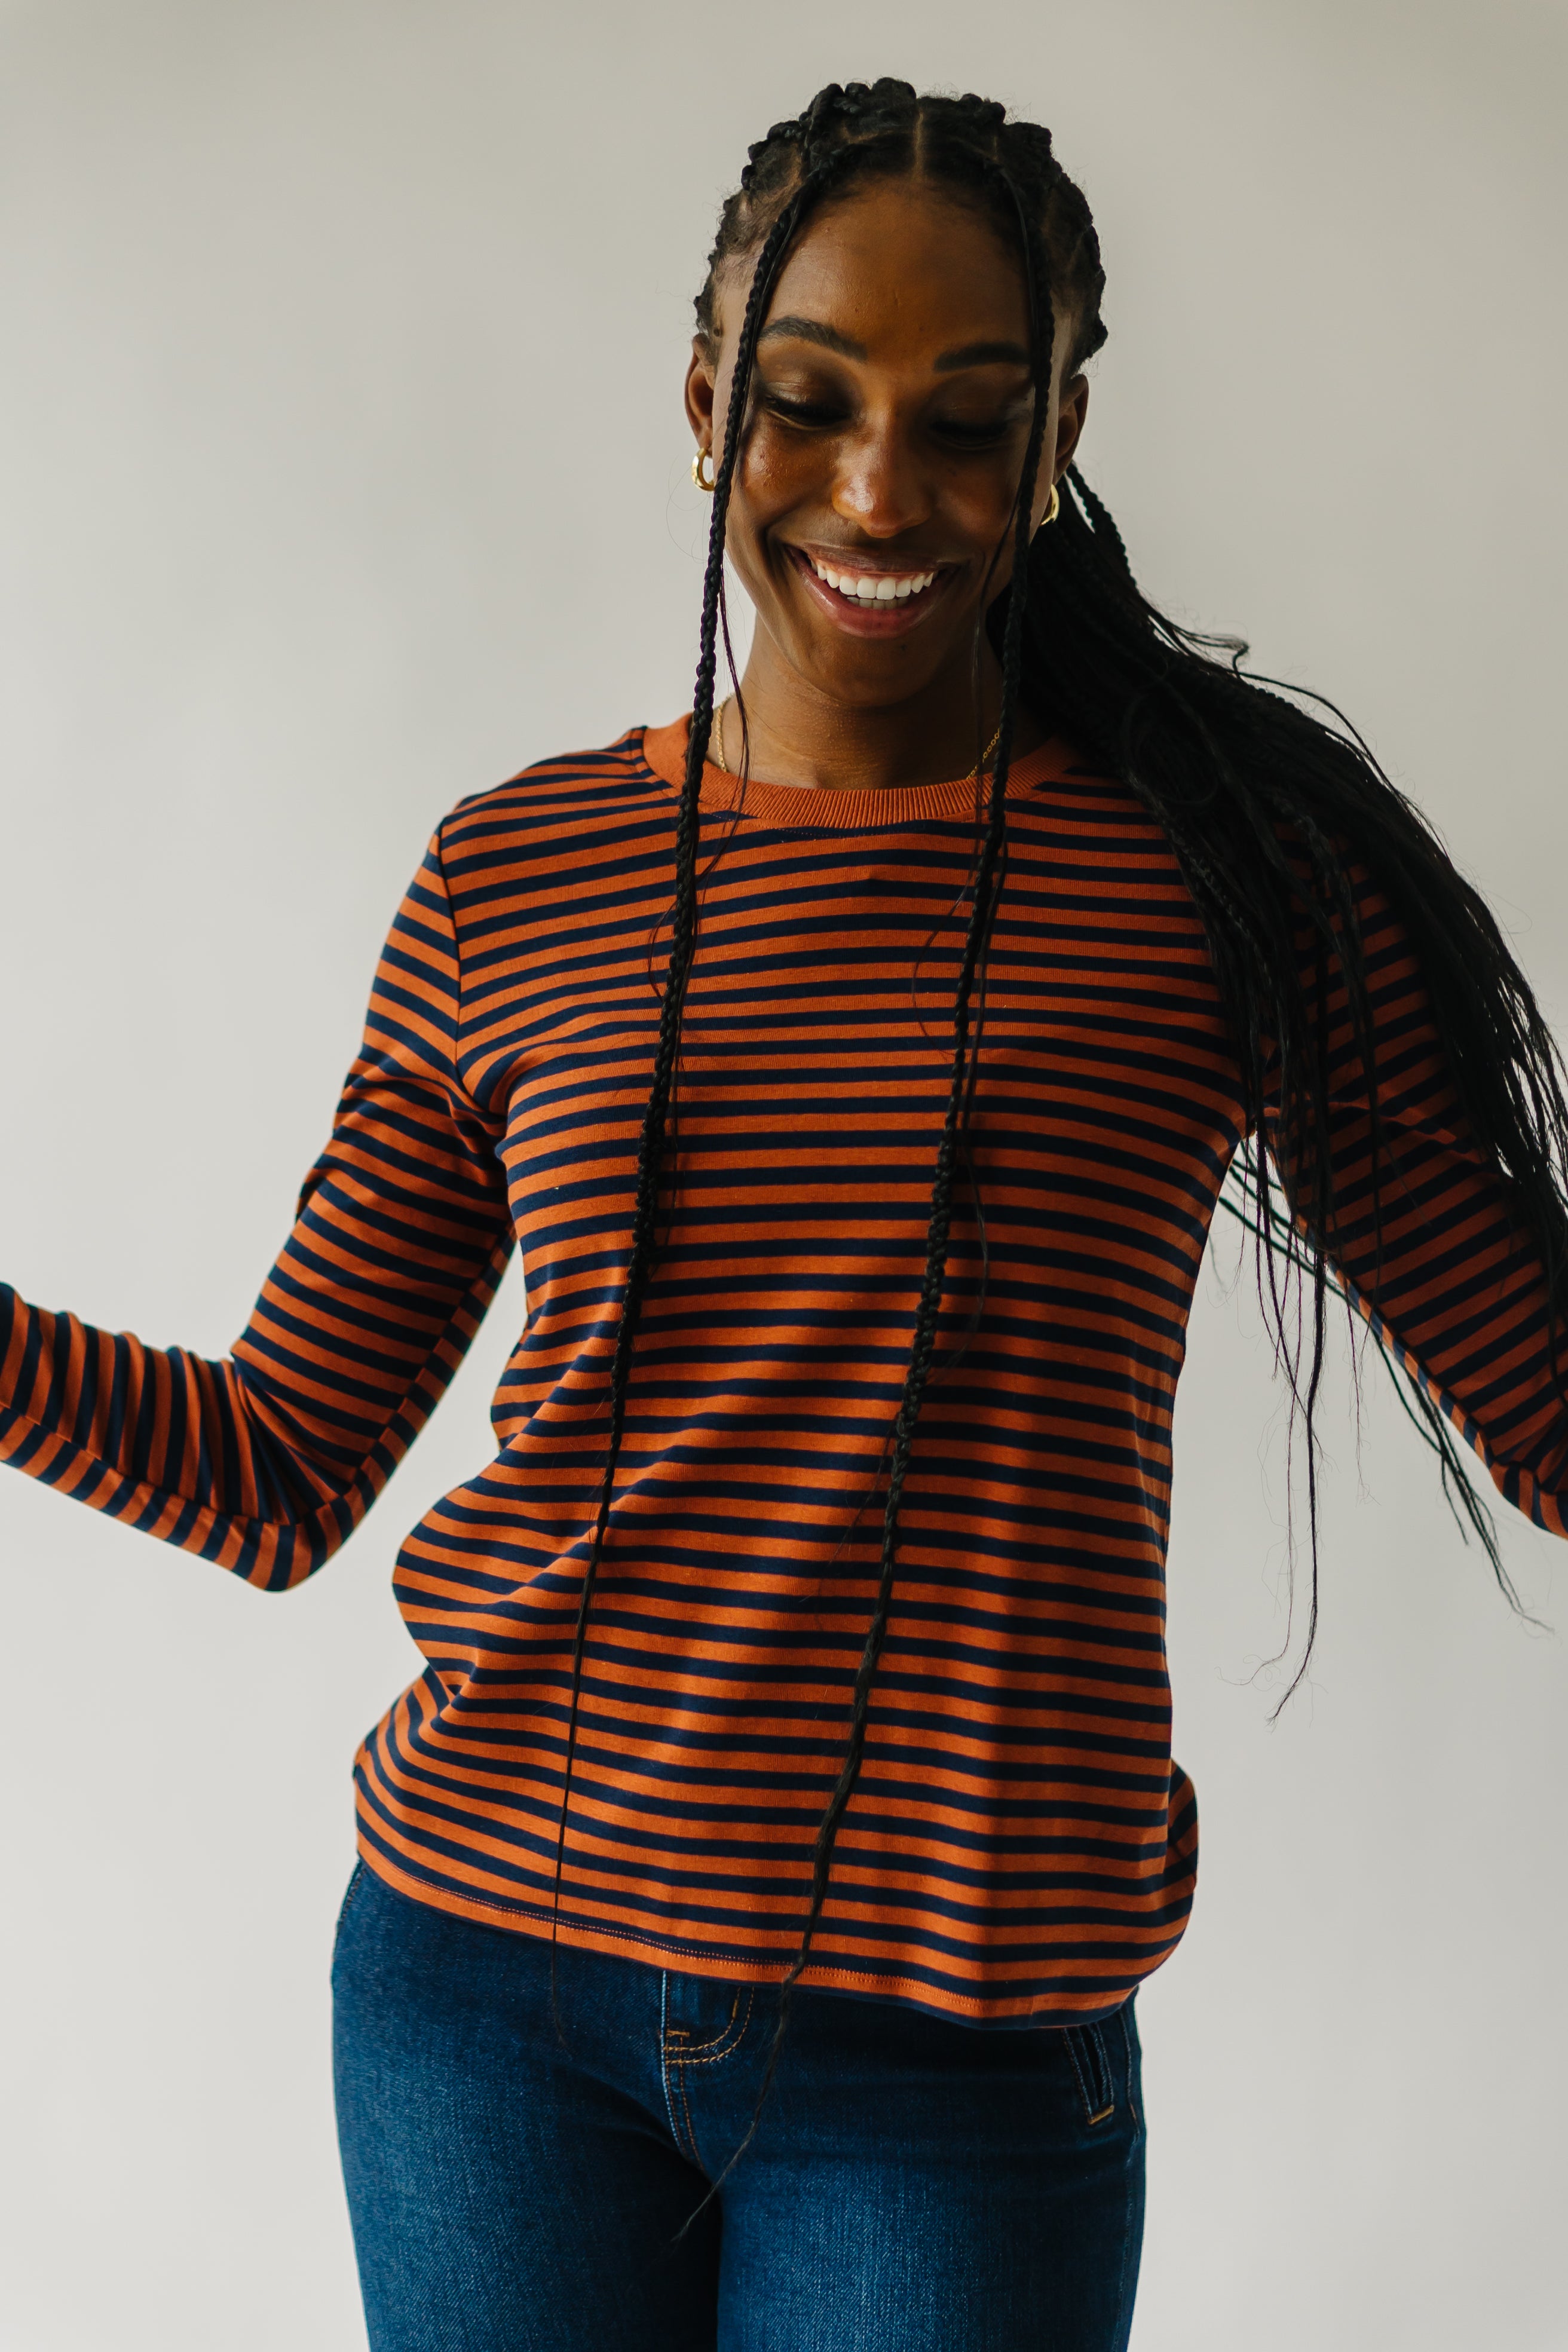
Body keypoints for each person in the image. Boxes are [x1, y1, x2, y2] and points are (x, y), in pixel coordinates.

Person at [3, 76, 1564, 2352]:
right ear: (710, 402)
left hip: (957, 2055)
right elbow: (278, 1468)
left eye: (967, 423)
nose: (877, 494)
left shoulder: (1216, 893)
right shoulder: (515, 873)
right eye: (809, 407)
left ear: (1059, 443)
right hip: (481, 2000)